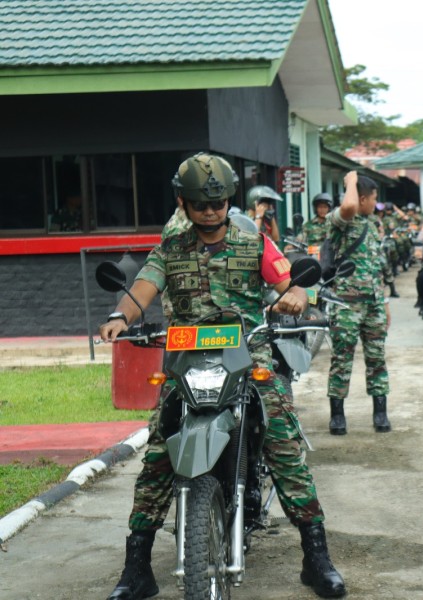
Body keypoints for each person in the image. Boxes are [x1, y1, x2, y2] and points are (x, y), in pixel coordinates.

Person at [98, 153, 345, 599]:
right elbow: (144, 287)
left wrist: (298, 294)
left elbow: (288, 279)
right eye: (199, 204)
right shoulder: (171, 248)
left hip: (249, 354)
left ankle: (316, 556)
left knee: (284, 442)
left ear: (228, 200)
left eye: (217, 203)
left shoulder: (253, 242)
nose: (210, 212)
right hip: (186, 361)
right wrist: (121, 315)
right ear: (184, 203)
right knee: (158, 454)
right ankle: (136, 567)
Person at [325, 171, 392, 435]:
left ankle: (380, 412)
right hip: (346, 304)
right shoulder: (340, 219)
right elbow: (349, 206)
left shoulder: (374, 223)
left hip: (373, 303)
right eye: (373, 198)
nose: (375, 204)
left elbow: (378, 266)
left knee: (377, 359)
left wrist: (385, 301)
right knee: (342, 359)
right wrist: (350, 180)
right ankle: (337, 415)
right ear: (362, 198)